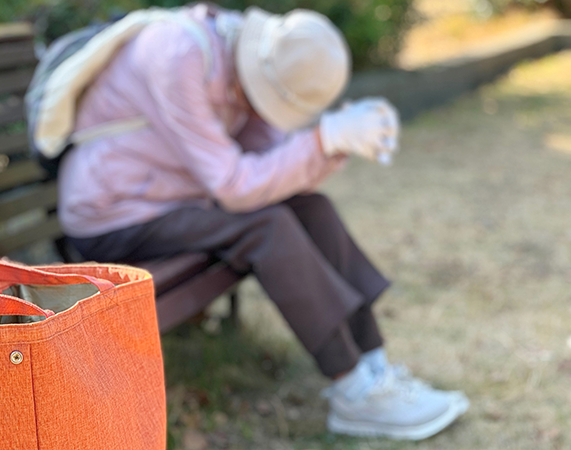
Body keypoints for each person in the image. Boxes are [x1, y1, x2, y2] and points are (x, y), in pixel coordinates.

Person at [48, 4, 469, 440]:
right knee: (267, 227)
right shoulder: (175, 56)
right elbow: (234, 184)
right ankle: (353, 389)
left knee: (311, 207)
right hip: (112, 218)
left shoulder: (245, 59)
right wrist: (322, 140)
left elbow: (270, 172)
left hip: (177, 204)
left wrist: (331, 146)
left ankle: (373, 366)